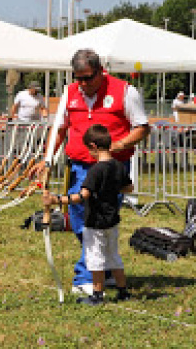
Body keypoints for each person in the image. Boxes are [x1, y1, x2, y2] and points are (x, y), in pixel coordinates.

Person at [34, 49, 149, 296]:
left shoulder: (124, 91)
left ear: (101, 70)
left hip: (110, 168)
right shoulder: (70, 93)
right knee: (80, 218)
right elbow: (60, 130)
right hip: (79, 165)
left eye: (88, 77)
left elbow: (142, 128)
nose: (83, 84)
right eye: (79, 78)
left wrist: (118, 145)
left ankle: (88, 275)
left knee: (97, 220)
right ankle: (102, 271)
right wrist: (46, 159)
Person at [43, 124, 133, 306]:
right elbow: (129, 187)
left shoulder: (95, 170)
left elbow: (82, 196)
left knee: (95, 258)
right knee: (113, 255)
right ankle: (123, 291)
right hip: (112, 220)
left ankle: (97, 295)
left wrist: (56, 200)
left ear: (93, 146)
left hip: (96, 222)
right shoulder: (118, 165)